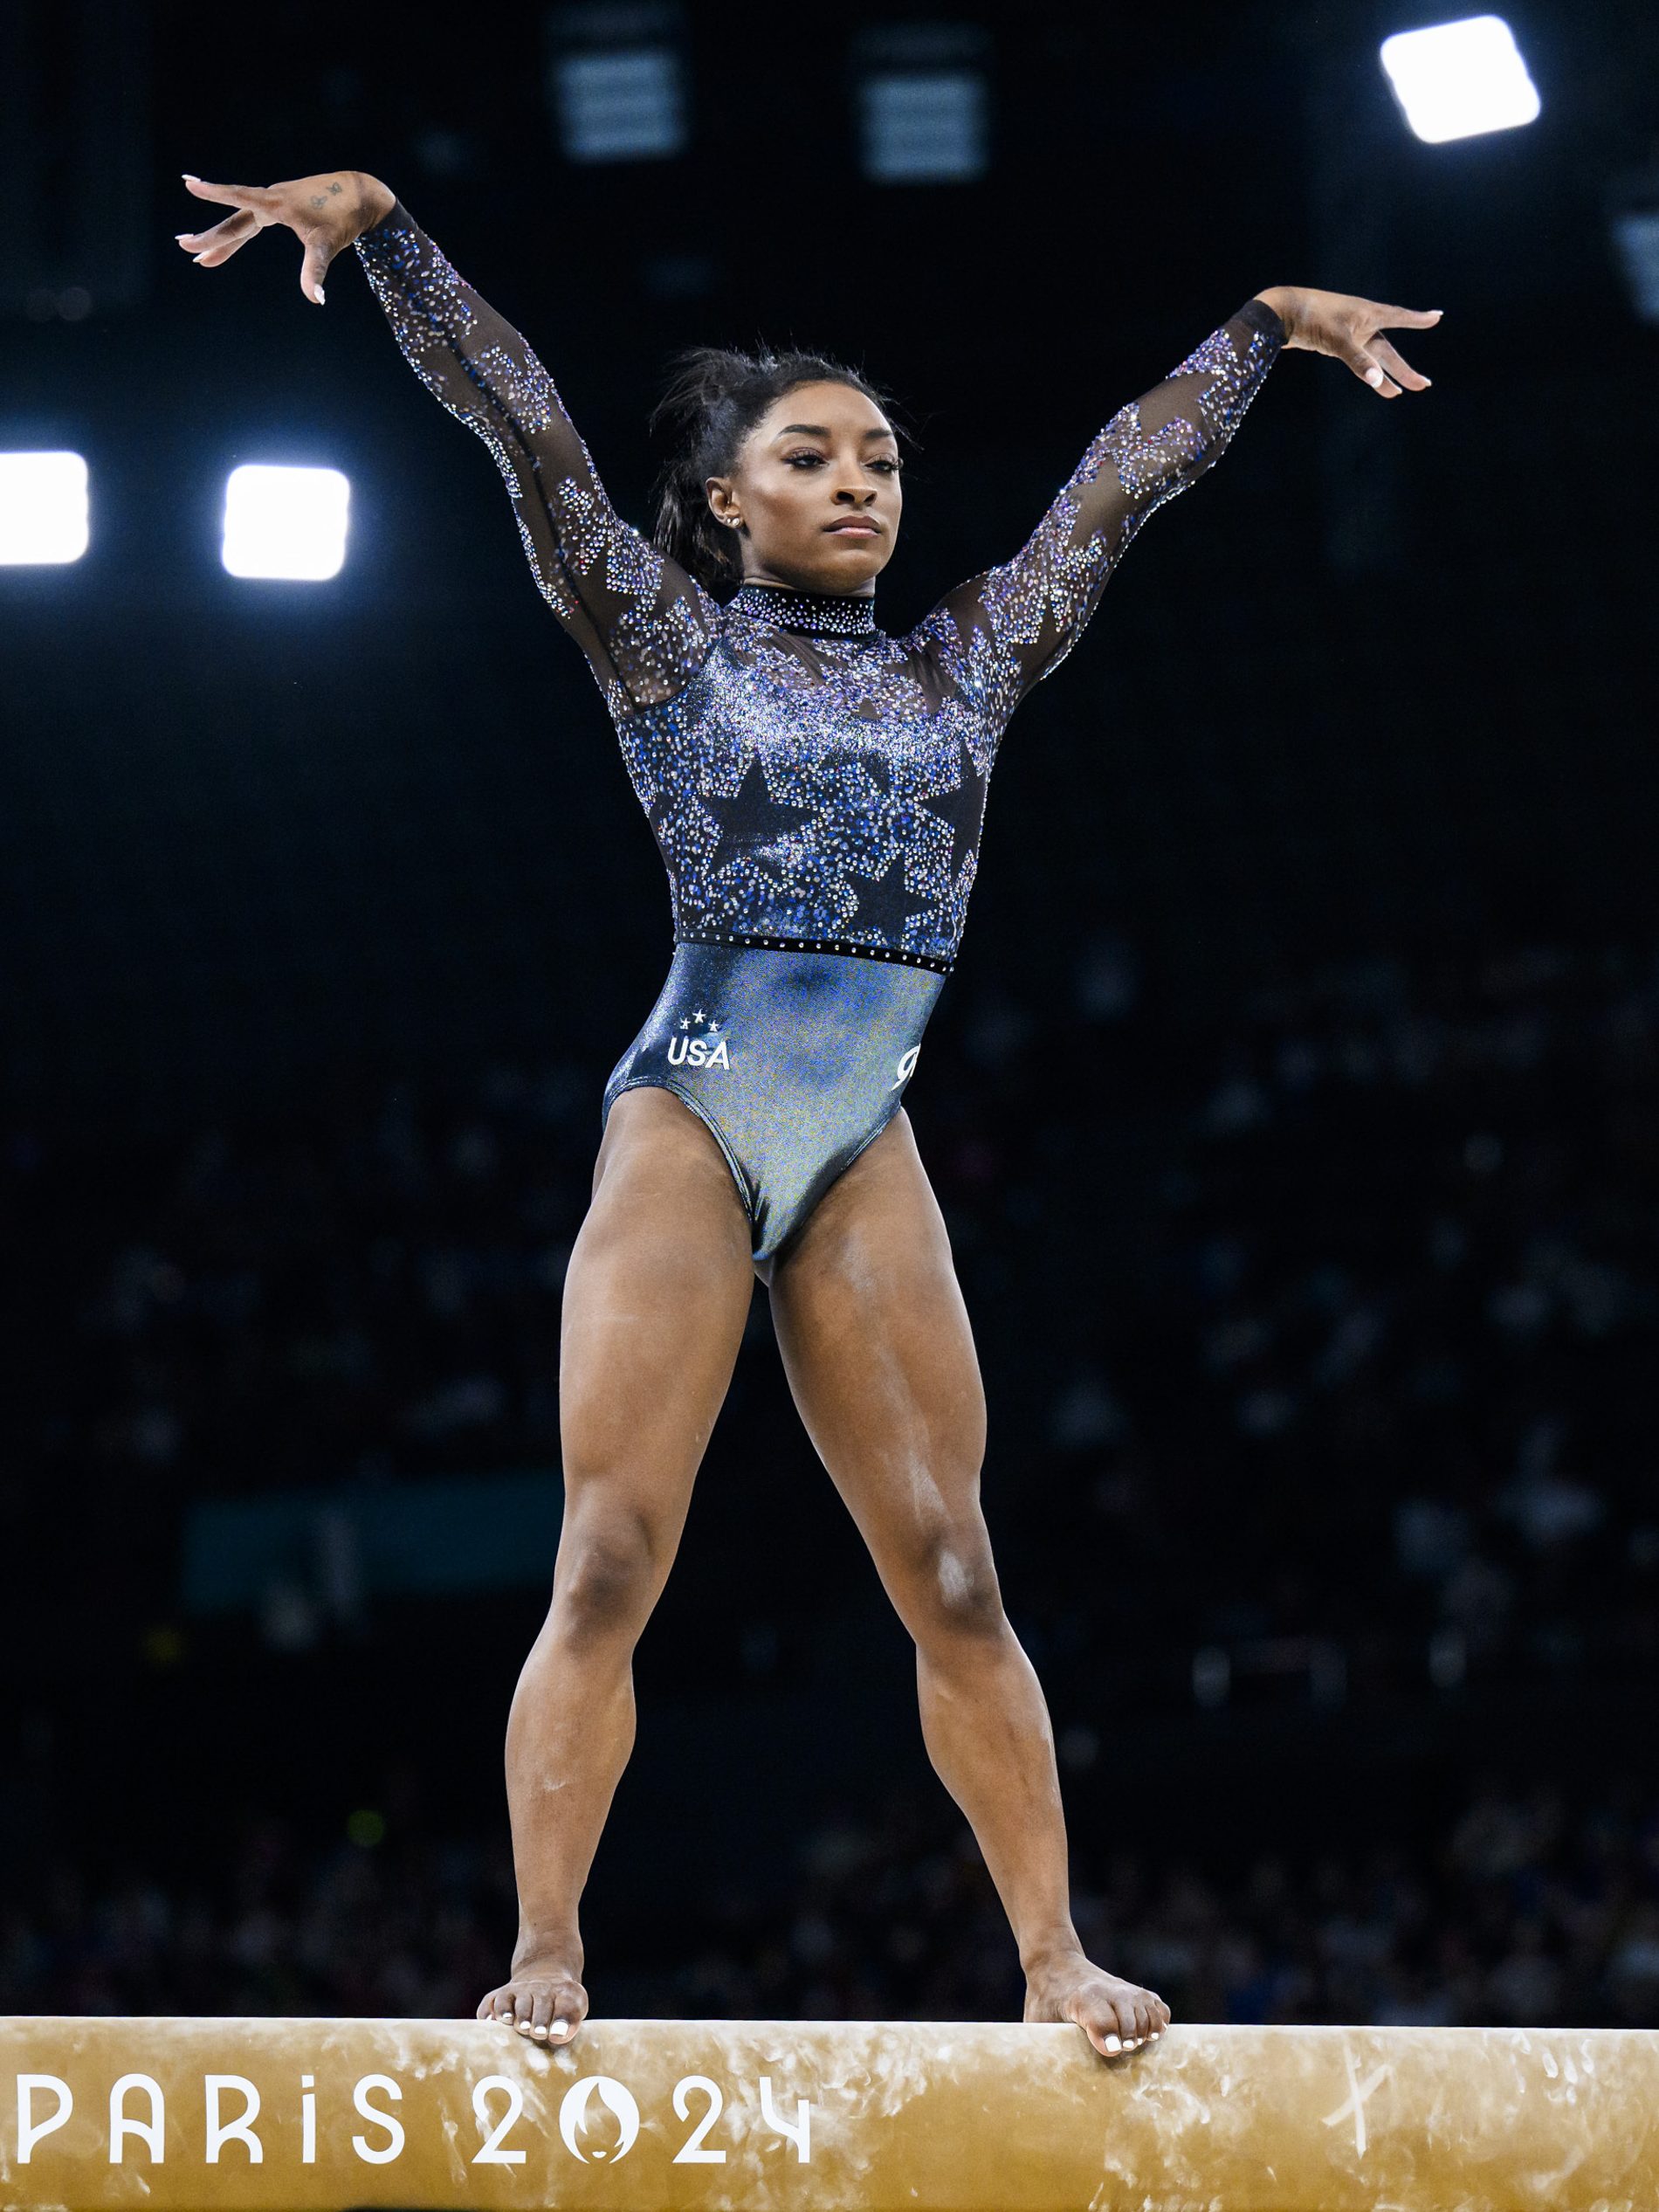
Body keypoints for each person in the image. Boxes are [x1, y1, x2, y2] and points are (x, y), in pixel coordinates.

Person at [176, 167, 1440, 2057]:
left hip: (859, 1138)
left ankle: (1049, 1960)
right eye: (812, 456)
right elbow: (521, 427)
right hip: (693, 1114)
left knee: (951, 1568)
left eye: (879, 460)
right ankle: (545, 1950)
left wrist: (1258, 326)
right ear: (722, 499)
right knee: (607, 1555)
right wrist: (390, 240)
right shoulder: (659, 638)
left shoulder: (964, 662)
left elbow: (1113, 487)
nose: (861, 482)